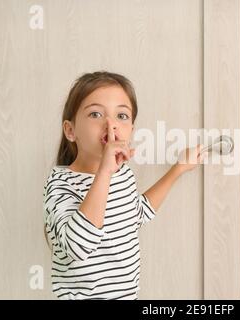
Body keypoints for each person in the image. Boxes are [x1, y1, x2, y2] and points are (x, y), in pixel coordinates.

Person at [43, 71, 203, 299]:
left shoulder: (122, 174)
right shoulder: (60, 184)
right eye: (95, 114)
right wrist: (105, 172)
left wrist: (178, 169)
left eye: (122, 116)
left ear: (131, 130)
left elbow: (137, 214)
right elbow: (77, 247)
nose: (111, 124)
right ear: (70, 130)